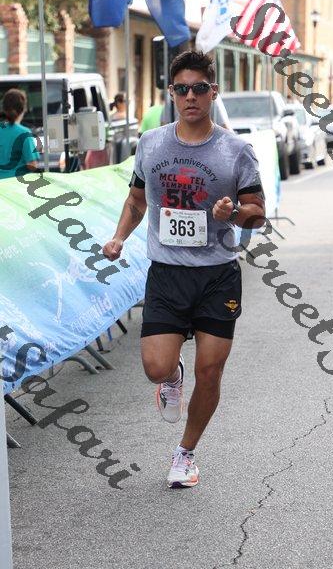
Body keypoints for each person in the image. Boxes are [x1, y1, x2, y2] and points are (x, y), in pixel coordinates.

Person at [102, 50, 265, 488]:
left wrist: (235, 213)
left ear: (214, 92)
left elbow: (258, 213)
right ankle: (171, 377)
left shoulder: (236, 150)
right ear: (171, 93)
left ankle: (185, 453)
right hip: (168, 272)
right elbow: (137, 200)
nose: (190, 96)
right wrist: (119, 237)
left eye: (199, 88)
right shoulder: (151, 144)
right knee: (155, 367)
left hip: (217, 275)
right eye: (181, 89)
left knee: (209, 371)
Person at [0, 88, 40, 180]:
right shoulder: (24, 133)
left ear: (4, 109)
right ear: (23, 109)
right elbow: (32, 165)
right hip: (17, 185)